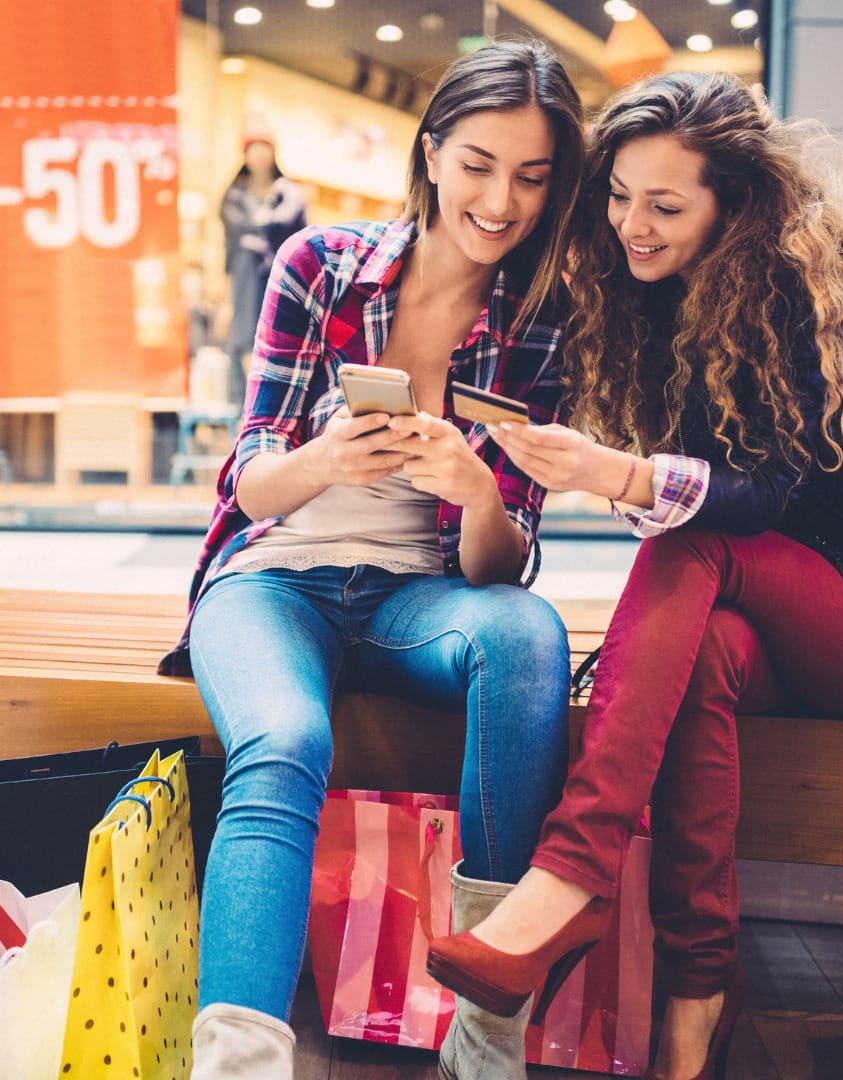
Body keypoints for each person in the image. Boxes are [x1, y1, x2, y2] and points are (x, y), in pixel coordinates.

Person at [426, 71, 843, 1080]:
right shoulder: (656, 299)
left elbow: (766, 498)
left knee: (684, 545)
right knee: (699, 664)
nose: (632, 224)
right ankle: (696, 1014)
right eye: (619, 194)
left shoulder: (784, 286)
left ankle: (571, 879)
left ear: (733, 203)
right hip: (765, 631)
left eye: (666, 205)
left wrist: (622, 474)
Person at [158, 40, 584, 1080]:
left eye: (533, 177)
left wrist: (477, 491)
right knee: (286, 738)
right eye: (479, 163)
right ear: (432, 153)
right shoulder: (321, 266)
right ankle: (238, 1065)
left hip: (420, 599)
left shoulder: (546, 326)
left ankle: (486, 1039)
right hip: (273, 581)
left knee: (530, 638)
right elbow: (248, 484)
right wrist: (323, 459)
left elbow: (500, 572)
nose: (501, 200)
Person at [220, 117, 308, 406]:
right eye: (252, 148)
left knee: (281, 340)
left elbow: (302, 244)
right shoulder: (233, 198)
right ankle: (245, 409)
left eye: (263, 147)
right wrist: (223, 299)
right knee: (243, 342)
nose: (258, 154)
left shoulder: (290, 197)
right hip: (246, 285)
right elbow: (230, 251)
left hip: (282, 281)